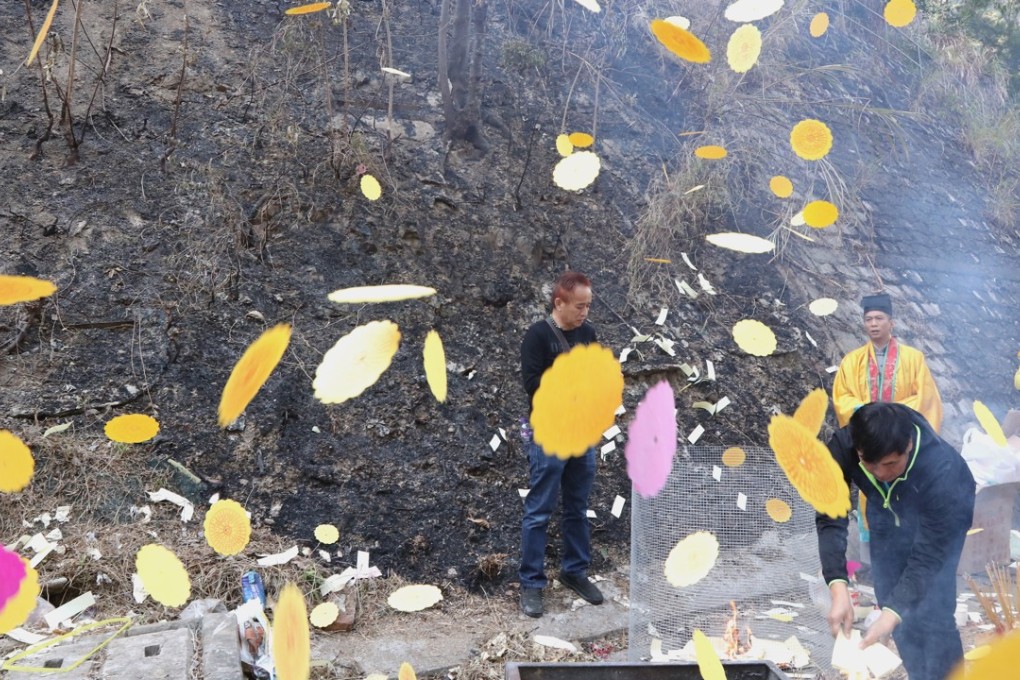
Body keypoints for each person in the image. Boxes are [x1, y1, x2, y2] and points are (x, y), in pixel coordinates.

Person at [816, 402, 975, 680]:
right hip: (886, 511)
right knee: (890, 595)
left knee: (933, 610)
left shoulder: (943, 470)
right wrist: (837, 585)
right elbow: (831, 515)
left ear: (909, 445)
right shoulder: (845, 445)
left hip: (941, 515)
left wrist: (890, 615)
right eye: (868, 463)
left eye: (890, 463)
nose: (879, 473)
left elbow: (930, 556)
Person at [518, 271, 603, 618]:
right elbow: (532, 385)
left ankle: (574, 572)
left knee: (577, 507)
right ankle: (532, 584)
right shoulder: (537, 336)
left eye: (588, 306)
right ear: (559, 303)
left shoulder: (588, 334)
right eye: (580, 306)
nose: (584, 313)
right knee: (539, 510)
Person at [832, 292, 943, 432]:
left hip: (902, 432)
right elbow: (842, 396)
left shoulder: (914, 358)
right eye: (868, 319)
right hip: (866, 432)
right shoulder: (851, 360)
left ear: (891, 323)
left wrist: (891, 413)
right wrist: (864, 411)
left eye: (879, 318)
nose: (873, 324)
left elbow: (926, 397)